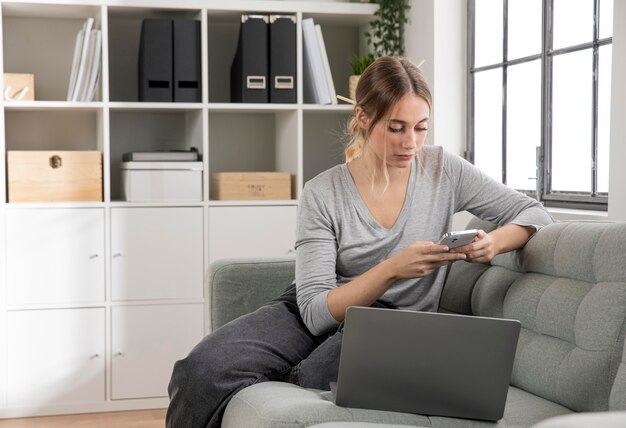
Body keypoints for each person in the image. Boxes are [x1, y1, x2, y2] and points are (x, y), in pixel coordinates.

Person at [166, 56, 553, 427]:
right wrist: (392, 269)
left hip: (390, 322)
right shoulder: (322, 193)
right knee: (199, 369)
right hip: (321, 307)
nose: (411, 143)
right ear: (363, 117)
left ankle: (284, 377)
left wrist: (495, 242)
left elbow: (534, 212)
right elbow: (317, 312)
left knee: (318, 373)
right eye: (396, 127)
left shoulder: (443, 170)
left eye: (421, 127)